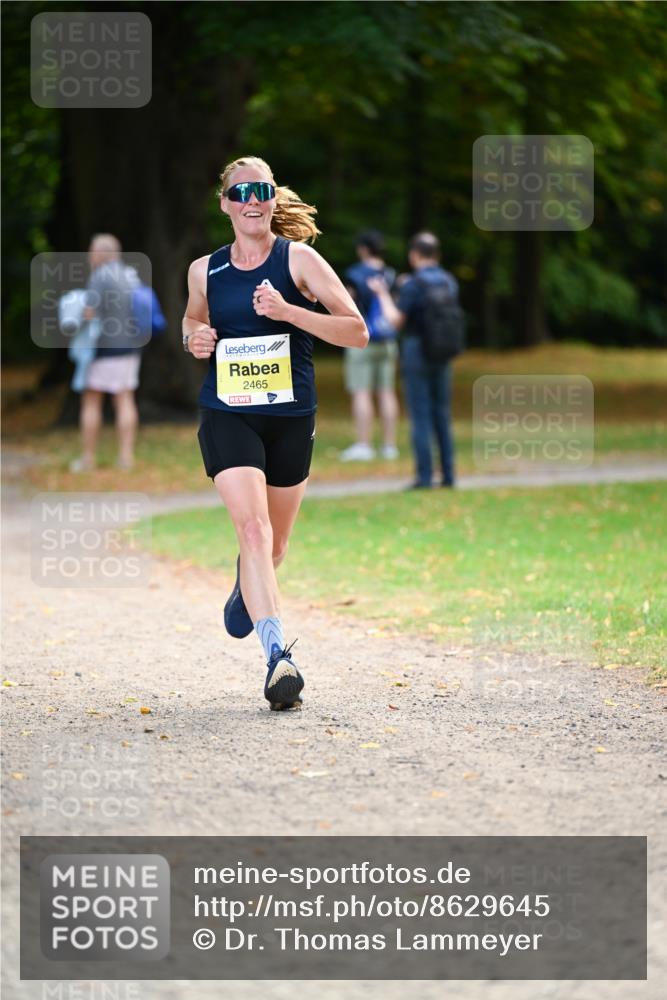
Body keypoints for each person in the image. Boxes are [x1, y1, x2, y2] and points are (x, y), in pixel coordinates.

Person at [183, 156, 368, 710]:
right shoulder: (204, 270)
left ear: (272, 197)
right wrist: (193, 339)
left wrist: (290, 312)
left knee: (276, 543)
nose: (251, 201)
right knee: (255, 531)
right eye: (240, 193)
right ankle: (277, 658)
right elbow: (193, 320)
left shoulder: (300, 260)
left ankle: (248, 587)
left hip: (290, 418)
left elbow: (357, 331)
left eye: (261, 190)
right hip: (228, 411)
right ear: (226, 204)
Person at [370, 231, 459, 488]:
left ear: (414, 255)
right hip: (443, 351)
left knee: (420, 414)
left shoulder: (413, 284)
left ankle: (424, 476)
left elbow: (395, 320)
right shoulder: (449, 281)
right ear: (437, 255)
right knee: (441, 413)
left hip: (417, 350)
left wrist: (382, 294)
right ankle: (449, 475)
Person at [69, 234, 142, 473]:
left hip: (103, 348)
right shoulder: (131, 275)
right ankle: (126, 458)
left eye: (92, 251)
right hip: (130, 347)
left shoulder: (100, 277)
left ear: (101, 253)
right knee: (125, 399)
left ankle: (88, 459)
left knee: (91, 401)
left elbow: (89, 312)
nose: (90, 256)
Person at [340, 230, 399, 461]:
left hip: (361, 340)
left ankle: (364, 445)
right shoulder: (391, 274)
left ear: (363, 249)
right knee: (386, 392)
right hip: (388, 340)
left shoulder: (355, 274)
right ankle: (389, 446)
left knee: (362, 392)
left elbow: (345, 303)